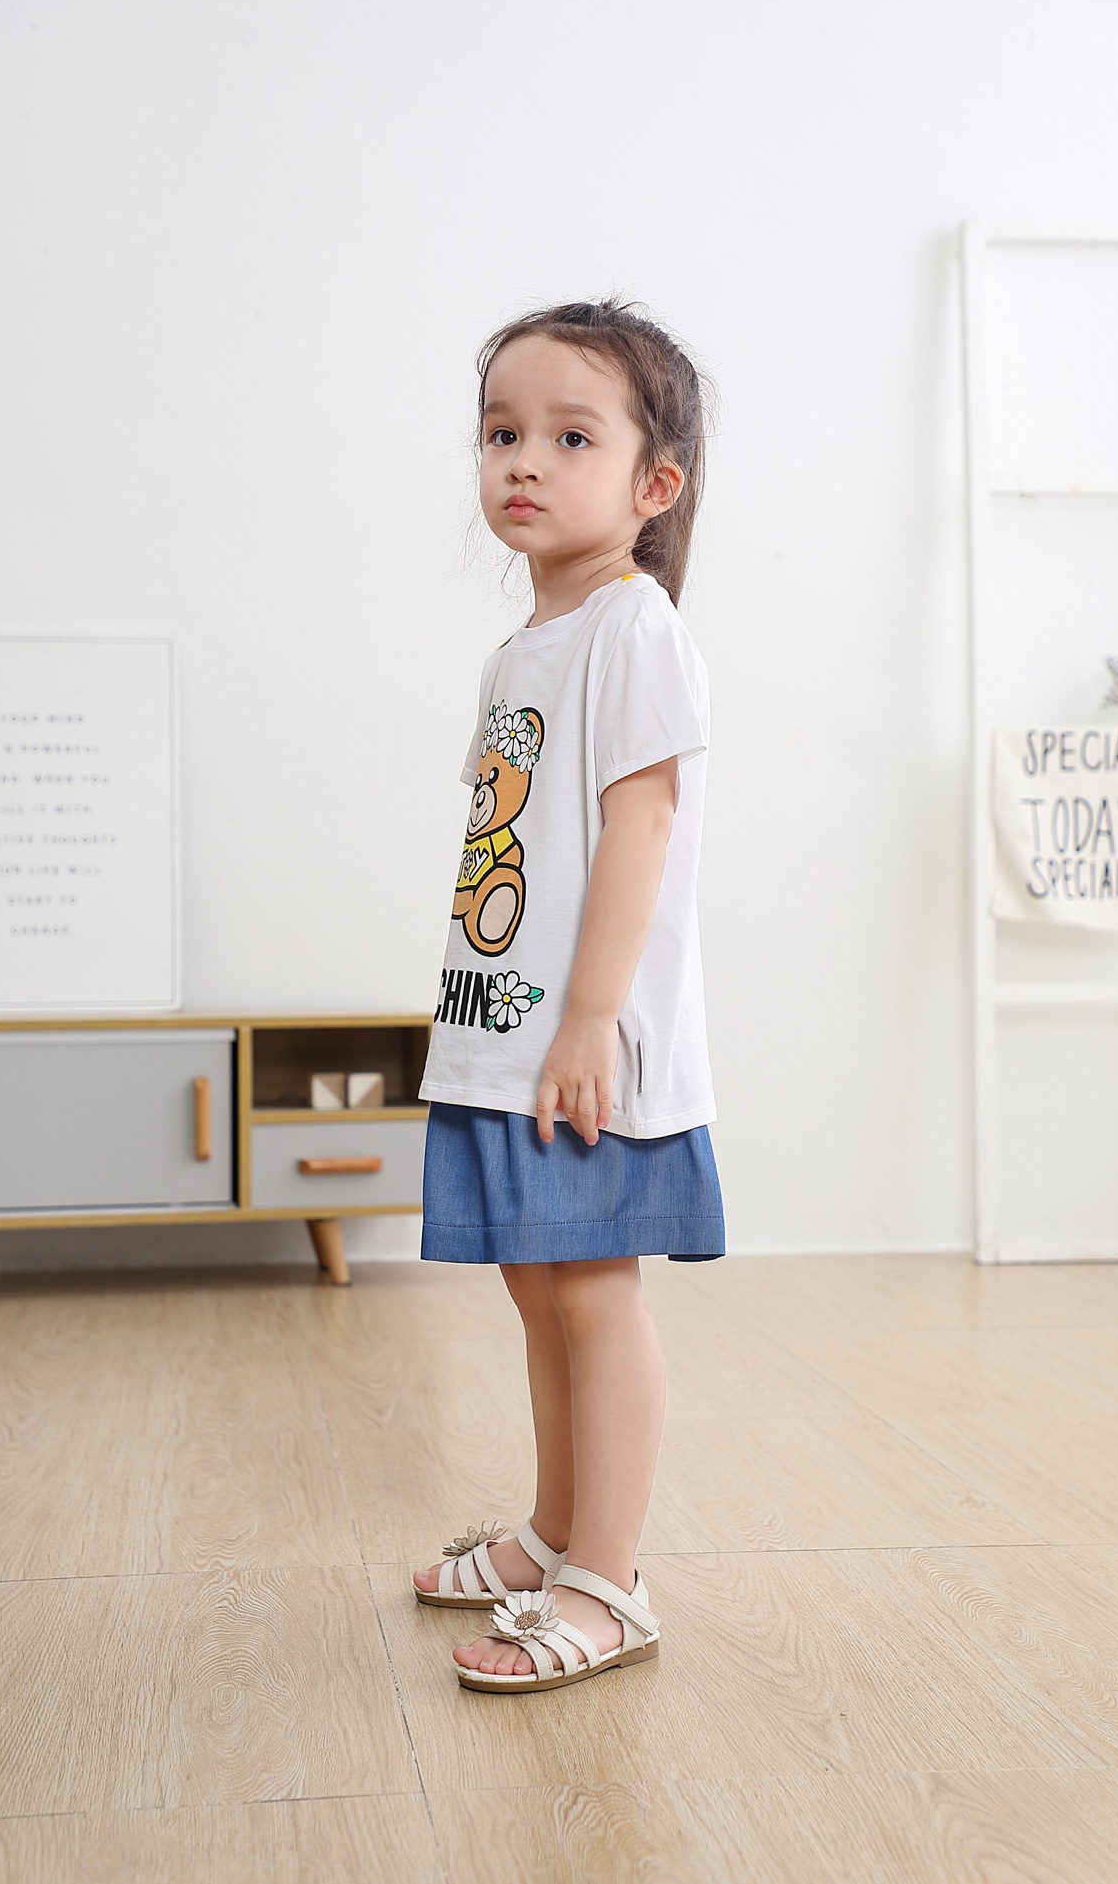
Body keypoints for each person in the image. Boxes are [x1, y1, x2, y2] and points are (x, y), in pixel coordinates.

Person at [412, 299, 724, 1693]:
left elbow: (639, 831)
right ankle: (553, 1534)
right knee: (539, 1293)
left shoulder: (631, 628)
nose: (522, 460)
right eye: (501, 432)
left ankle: (609, 1579)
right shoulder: (518, 654)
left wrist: (590, 1018)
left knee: (593, 1296)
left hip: (583, 1046)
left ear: (655, 484)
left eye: (569, 436)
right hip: (506, 1035)